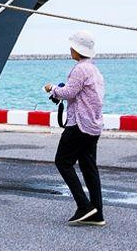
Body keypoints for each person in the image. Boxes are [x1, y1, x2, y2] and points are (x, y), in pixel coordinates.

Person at [45, 30, 106, 227]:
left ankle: (84, 206)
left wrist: (52, 89)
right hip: (94, 125)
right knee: (89, 168)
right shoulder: (95, 70)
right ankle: (97, 212)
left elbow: (69, 92)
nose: (70, 49)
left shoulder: (79, 69)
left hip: (79, 124)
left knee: (62, 161)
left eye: (72, 46)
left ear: (77, 49)